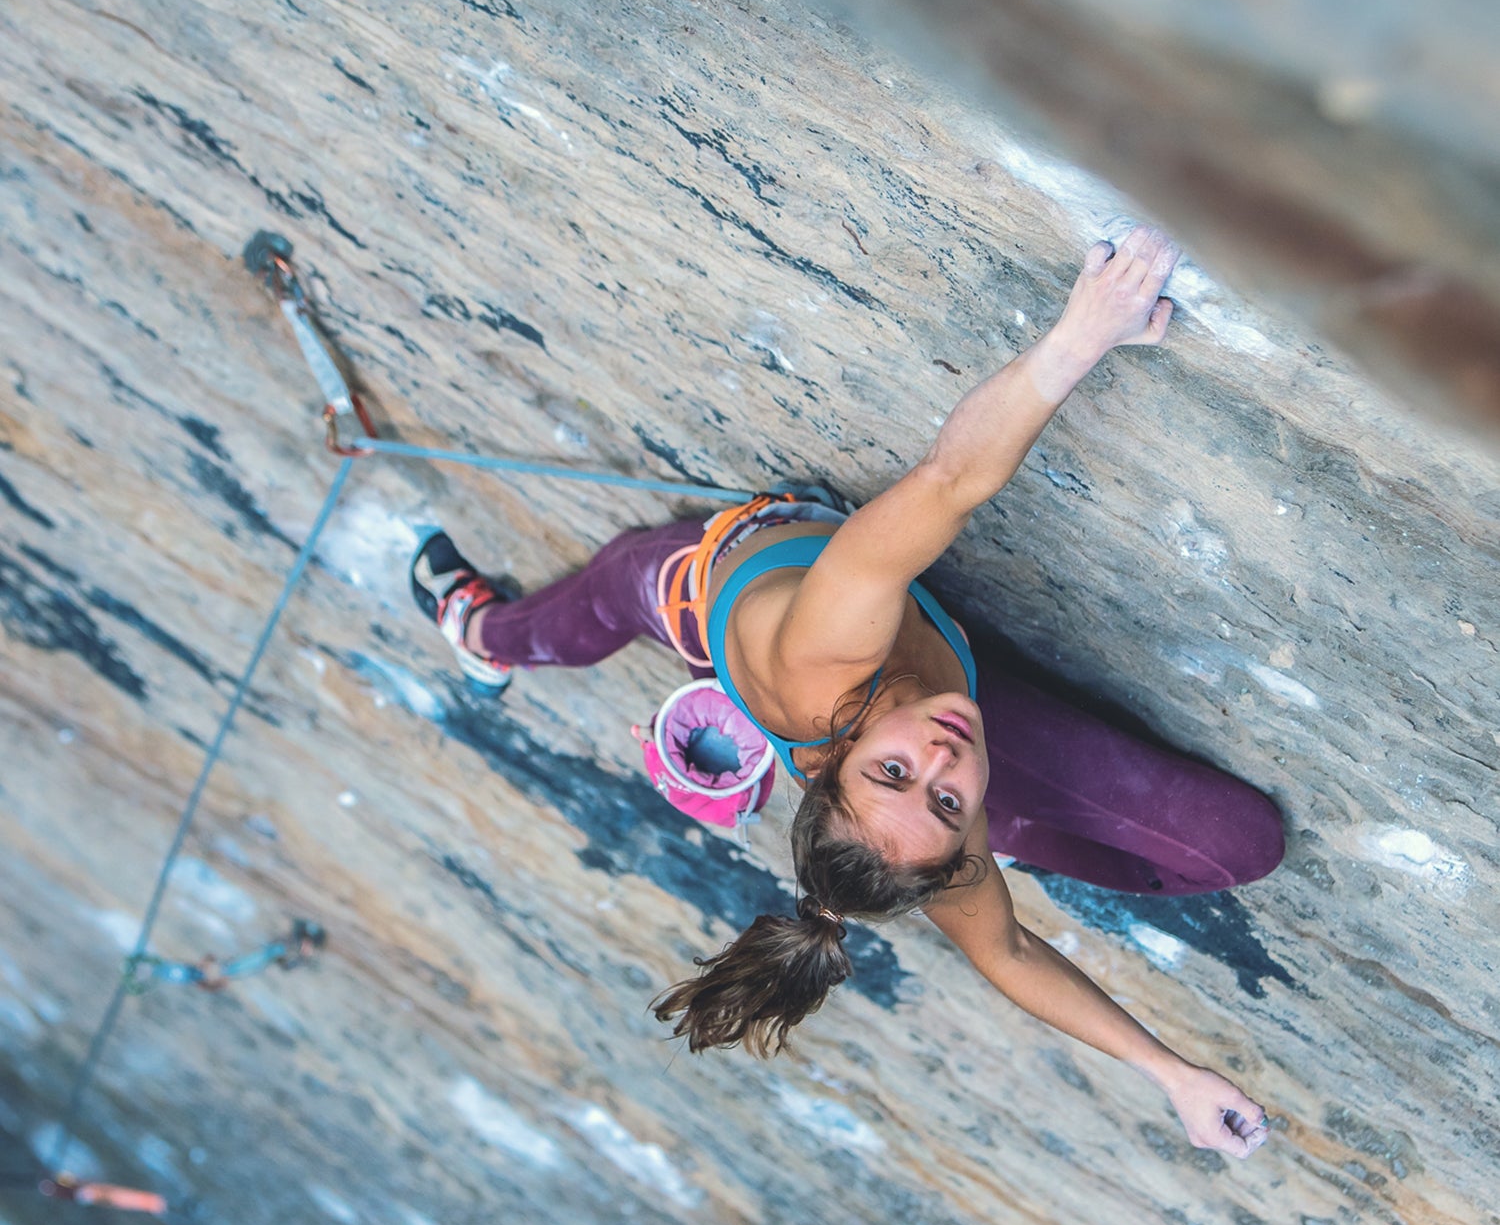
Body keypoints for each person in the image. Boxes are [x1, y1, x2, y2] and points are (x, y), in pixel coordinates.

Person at [411, 227, 1282, 1159]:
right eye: (947, 802)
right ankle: (482, 637)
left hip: (705, 587)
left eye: (894, 771)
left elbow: (951, 480)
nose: (943, 758)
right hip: (928, 681)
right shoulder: (923, 833)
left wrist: (1082, 334)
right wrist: (1174, 1076)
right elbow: (1009, 952)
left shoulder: (835, 653)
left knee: (597, 601)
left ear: (828, 761)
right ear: (954, 846)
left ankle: (483, 632)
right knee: (1243, 846)